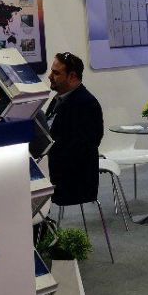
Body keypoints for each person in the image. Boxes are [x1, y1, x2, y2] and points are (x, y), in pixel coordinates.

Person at [44, 52, 103, 205]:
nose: (50, 76)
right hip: (56, 171)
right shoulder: (59, 99)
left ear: (72, 76)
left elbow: (86, 144)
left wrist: (49, 149)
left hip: (74, 180)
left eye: (56, 73)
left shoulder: (87, 103)